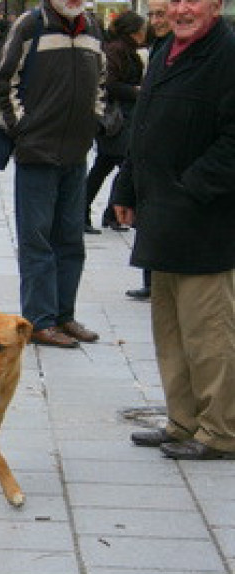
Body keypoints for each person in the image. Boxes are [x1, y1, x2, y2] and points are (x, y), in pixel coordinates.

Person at [113, 0, 235, 460]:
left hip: (205, 220)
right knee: (172, 332)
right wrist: (126, 186)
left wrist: (191, 188)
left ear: (217, 5)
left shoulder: (227, 55)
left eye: (194, 0)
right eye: (175, 0)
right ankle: (183, 421)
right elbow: (142, 125)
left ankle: (220, 432)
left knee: (209, 334)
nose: (182, 9)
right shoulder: (168, 49)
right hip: (164, 216)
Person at [0, 0, 105, 349]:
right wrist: (23, 130)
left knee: (71, 238)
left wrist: (94, 121)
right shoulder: (30, 25)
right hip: (37, 154)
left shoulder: (92, 27)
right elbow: (0, 84)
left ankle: (63, 315)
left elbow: (101, 80)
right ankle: (39, 321)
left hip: (75, 152)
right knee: (37, 240)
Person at [124, 0, 172, 300]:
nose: (156, 20)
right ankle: (152, 279)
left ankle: (155, 279)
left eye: (160, 14)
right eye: (151, 15)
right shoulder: (161, 48)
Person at [83, 10, 146, 235]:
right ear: (133, 32)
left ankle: (101, 212)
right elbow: (109, 84)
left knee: (106, 165)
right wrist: (137, 91)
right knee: (120, 165)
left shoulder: (125, 49)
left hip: (121, 118)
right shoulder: (118, 50)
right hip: (117, 118)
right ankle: (108, 212)